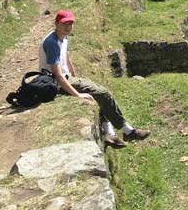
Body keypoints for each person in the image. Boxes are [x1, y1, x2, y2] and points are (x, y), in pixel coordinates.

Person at [40, 10, 150, 148]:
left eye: (70, 24)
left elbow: (67, 59)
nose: (68, 27)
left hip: (66, 78)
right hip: (54, 83)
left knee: (100, 93)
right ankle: (128, 131)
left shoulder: (64, 37)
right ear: (56, 24)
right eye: (64, 24)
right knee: (103, 94)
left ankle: (110, 134)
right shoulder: (52, 43)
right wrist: (77, 94)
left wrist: (76, 77)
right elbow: (58, 75)